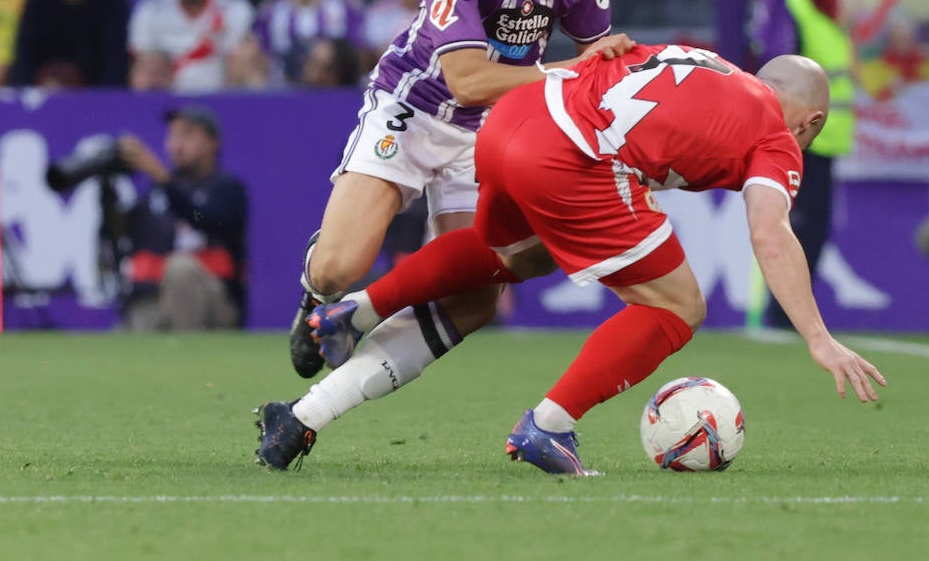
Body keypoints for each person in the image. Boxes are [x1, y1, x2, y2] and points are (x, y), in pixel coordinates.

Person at [256, 46, 886, 472]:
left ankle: (357, 311)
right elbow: (771, 235)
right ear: (812, 120)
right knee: (676, 306)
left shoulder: (708, 62)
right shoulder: (779, 135)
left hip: (513, 120)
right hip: (572, 155)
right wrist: (819, 337)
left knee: (516, 256)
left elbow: (616, 63)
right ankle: (549, 424)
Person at [280, 0, 619, 400]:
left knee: (477, 292)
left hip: (496, 128)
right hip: (416, 103)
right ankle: (319, 289)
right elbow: (467, 79)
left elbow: (597, 54)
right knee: (340, 267)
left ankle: (324, 402)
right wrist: (570, 74)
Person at [763, 0, 856, 329]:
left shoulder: (824, 7)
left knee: (813, 234)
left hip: (824, 141)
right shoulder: (791, 2)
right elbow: (779, 77)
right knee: (796, 233)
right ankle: (779, 319)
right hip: (799, 141)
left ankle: (788, 320)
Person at [118, 107, 248, 330]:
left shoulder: (227, 189)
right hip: (158, 299)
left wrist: (162, 178)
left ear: (211, 142)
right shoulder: (154, 194)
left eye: (187, 134)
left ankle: (187, 355)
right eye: (172, 135)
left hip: (215, 303)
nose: (176, 144)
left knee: (180, 268)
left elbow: (205, 218)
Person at [127, 0, 255, 92]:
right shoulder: (151, 8)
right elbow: (143, 54)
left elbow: (237, 57)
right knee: (146, 69)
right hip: (167, 88)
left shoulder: (234, 7)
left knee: (246, 57)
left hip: (221, 87)